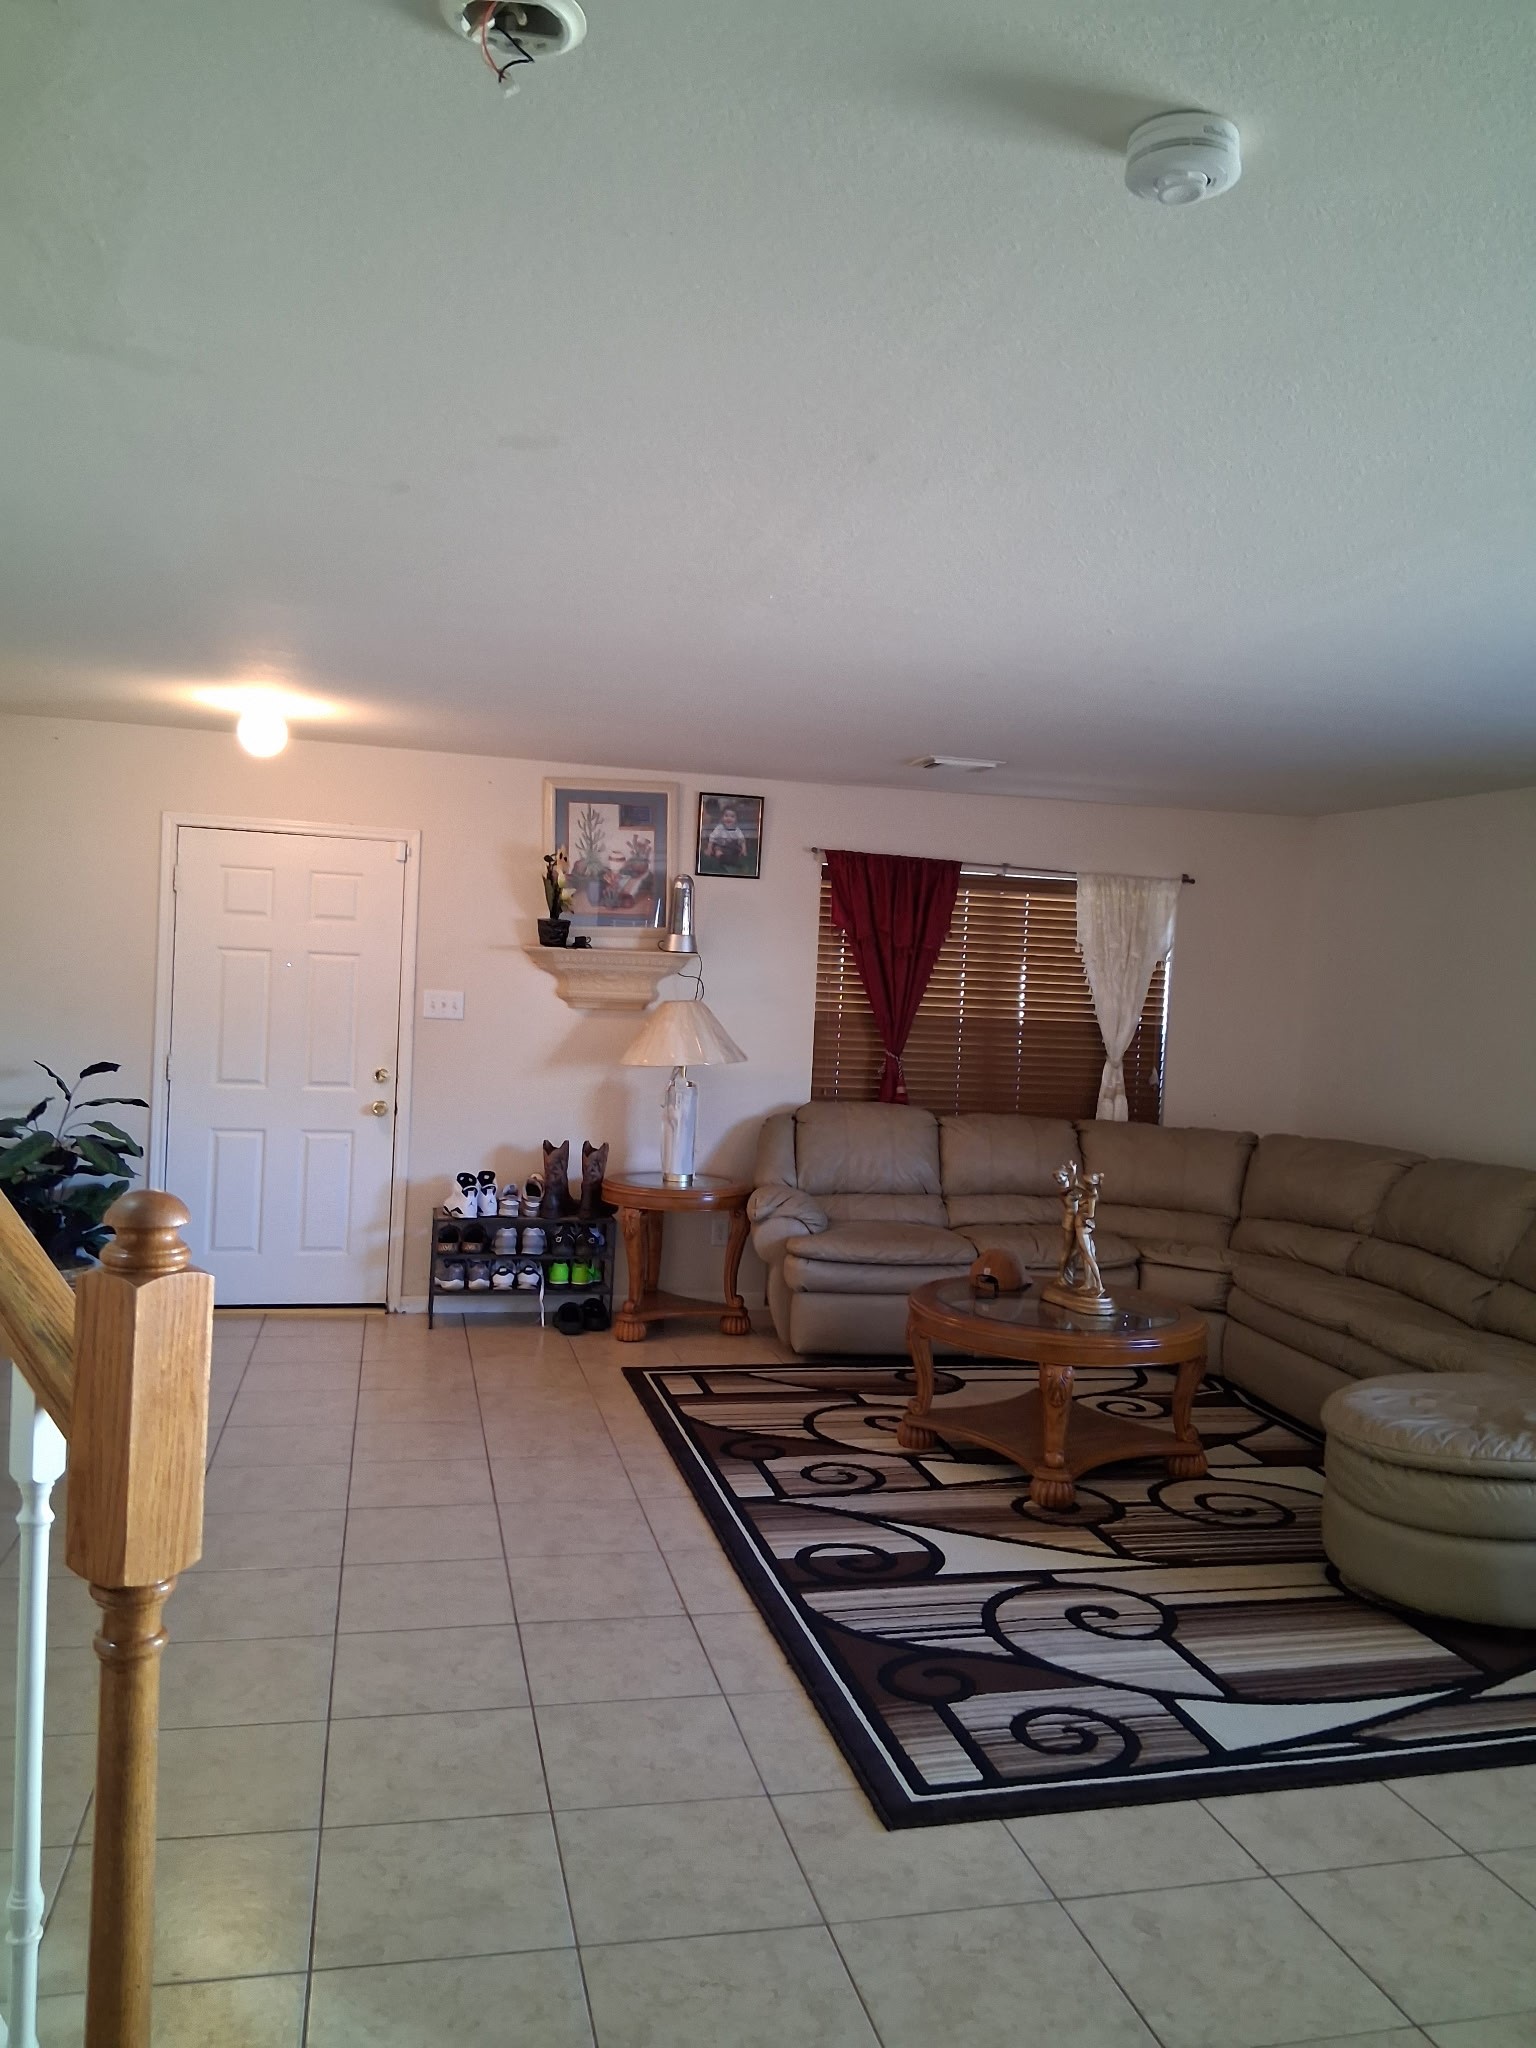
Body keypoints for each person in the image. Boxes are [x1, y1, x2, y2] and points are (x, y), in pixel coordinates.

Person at [704, 805, 749, 870]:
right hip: (721, 846)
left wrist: (744, 849)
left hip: (731, 847)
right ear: (722, 818)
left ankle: (732, 858)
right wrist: (709, 848)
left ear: (736, 819)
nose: (729, 818)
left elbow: (742, 840)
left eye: (732, 816)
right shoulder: (719, 828)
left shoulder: (736, 830)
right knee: (717, 850)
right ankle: (721, 857)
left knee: (737, 849)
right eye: (726, 816)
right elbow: (712, 838)